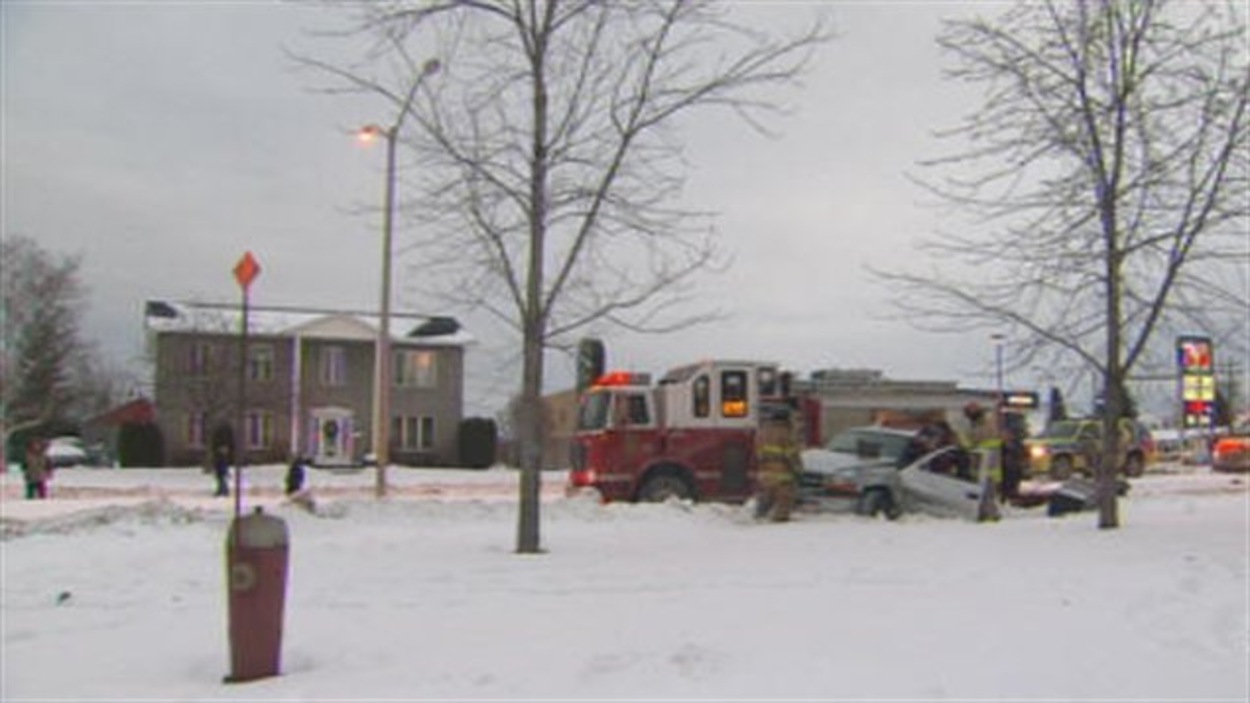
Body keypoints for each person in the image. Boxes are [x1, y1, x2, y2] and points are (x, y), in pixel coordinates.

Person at [754, 408, 803, 523]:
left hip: (765, 471)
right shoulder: (786, 433)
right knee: (784, 500)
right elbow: (791, 454)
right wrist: (798, 468)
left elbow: (758, 451)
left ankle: (759, 518)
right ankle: (780, 524)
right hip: (783, 473)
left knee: (766, 496)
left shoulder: (763, 431)